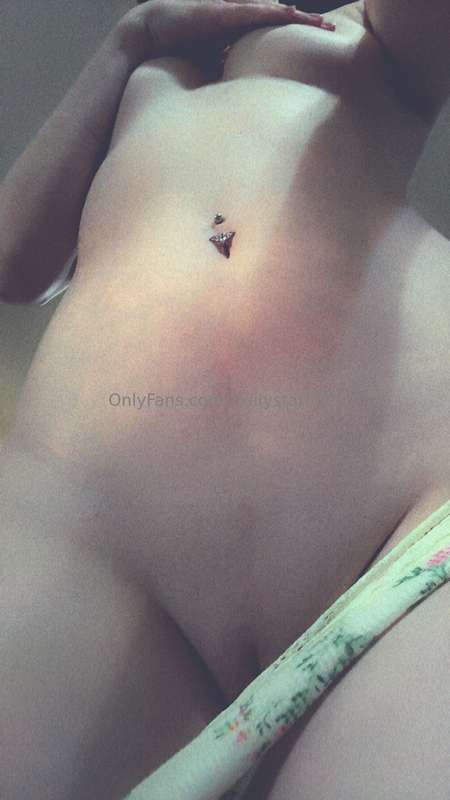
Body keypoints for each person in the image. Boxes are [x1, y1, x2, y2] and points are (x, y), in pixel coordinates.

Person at [0, 1, 450, 798]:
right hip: (95, 521)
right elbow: (14, 262)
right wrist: (131, 39)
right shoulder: (142, 64)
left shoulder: (372, 37)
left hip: (407, 512)